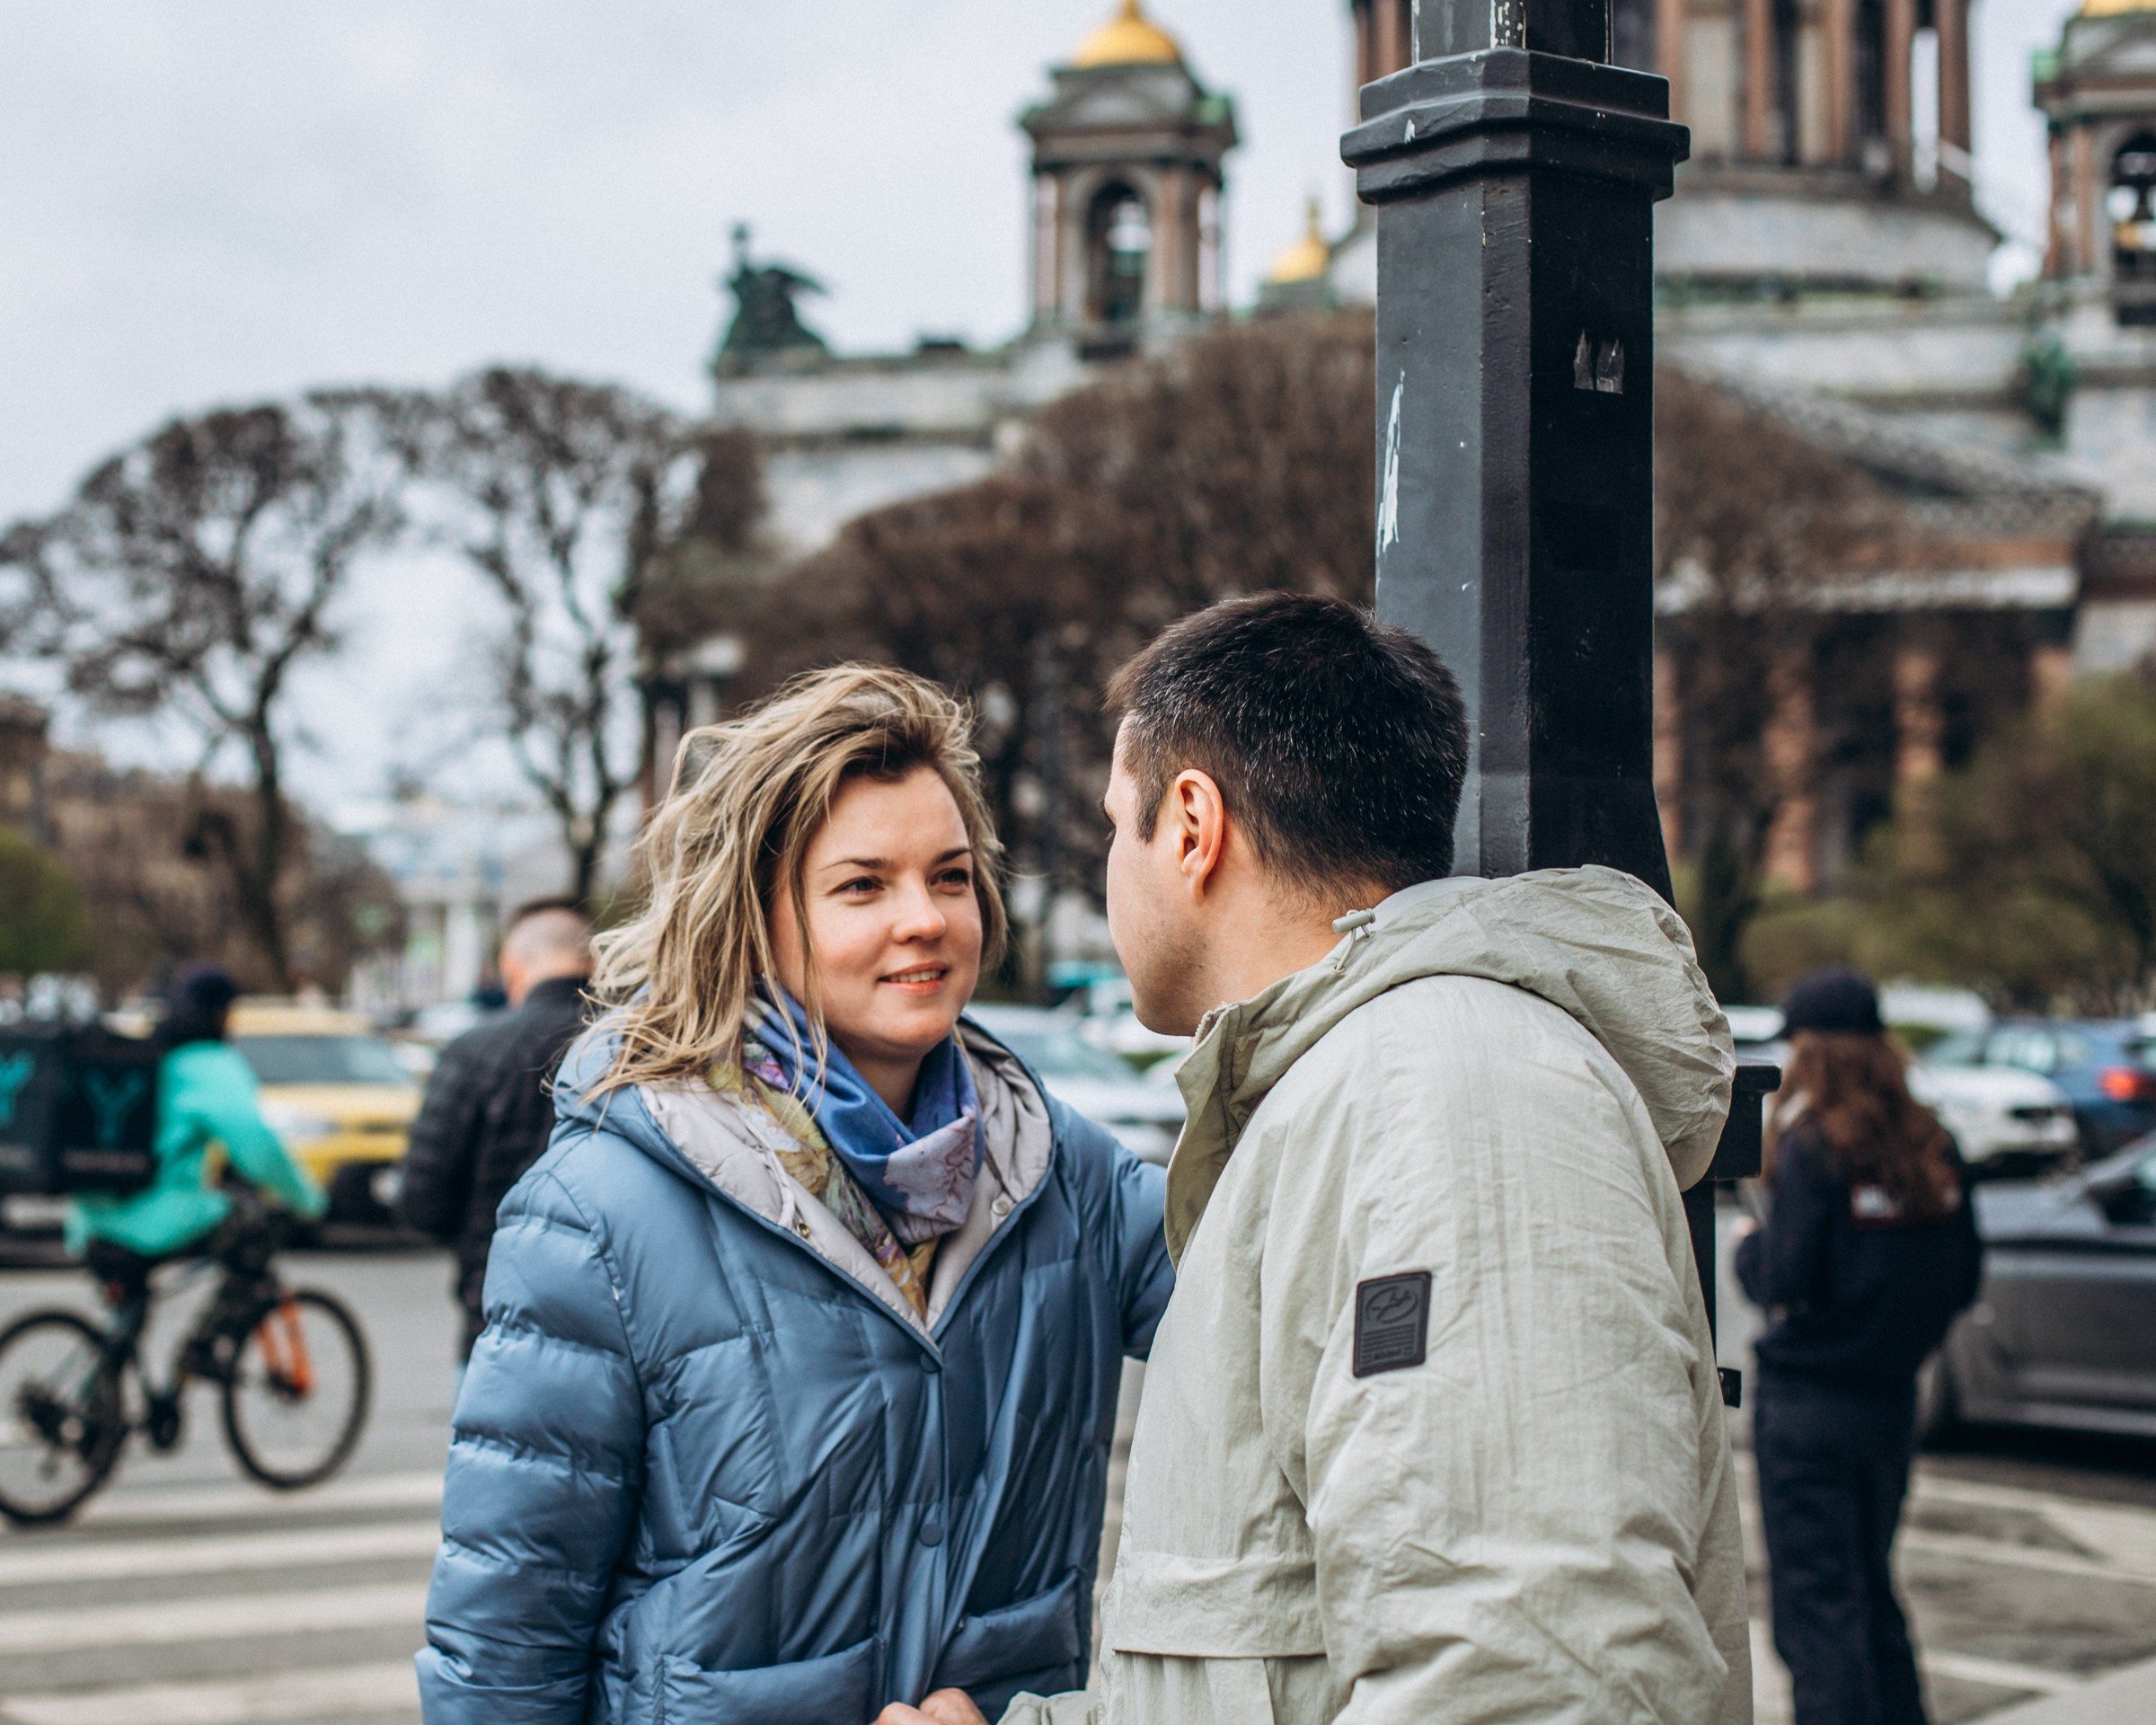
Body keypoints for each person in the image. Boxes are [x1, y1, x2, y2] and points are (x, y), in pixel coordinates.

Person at [898, 593, 1752, 1725]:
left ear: (1192, 827)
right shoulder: (1360, 1095)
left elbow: (1529, 1681)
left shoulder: (1447, 1096)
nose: (1111, 864)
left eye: (1117, 824)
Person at [416, 666, 1172, 1724]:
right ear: (758, 919)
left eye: (949, 877)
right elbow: (506, 1638)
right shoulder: (599, 1210)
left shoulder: (1066, 1174)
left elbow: (1287, 1299)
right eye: (862, 886)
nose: (925, 919)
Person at [1734, 968, 1982, 1725]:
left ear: (1809, 1050)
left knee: (1817, 1617)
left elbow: (1781, 1275)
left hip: (1808, 1411)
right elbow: (1964, 1277)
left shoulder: (1813, 1151)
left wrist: (1750, 1244)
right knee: (1872, 1595)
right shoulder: (1933, 1144)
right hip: (1888, 1403)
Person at [69, 965, 327, 1380]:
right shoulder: (209, 1064)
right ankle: (203, 1346)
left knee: (129, 1318)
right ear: (221, 1013)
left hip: (91, 1217)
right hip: (153, 1219)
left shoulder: (148, 1054)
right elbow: (257, 1148)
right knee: (255, 1229)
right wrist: (308, 1200)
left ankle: (95, 1419)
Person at [396, 898, 595, 1360]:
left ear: (512, 966)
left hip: (497, 1315)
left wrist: (476, 1238)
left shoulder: (475, 1051)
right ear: (597, 961)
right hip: (620, 1321)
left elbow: (421, 1200)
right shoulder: (641, 1048)